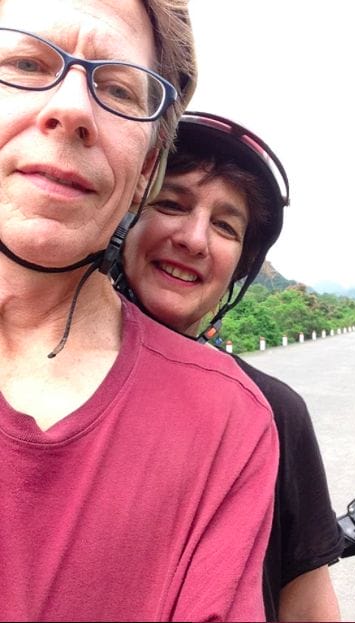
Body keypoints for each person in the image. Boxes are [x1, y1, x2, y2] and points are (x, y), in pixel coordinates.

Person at [0, 3, 279, 621]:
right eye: (25, 63)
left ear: (144, 167)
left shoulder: (234, 416)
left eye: (120, 90)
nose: (72, 108)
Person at [119, 111, 344, 622]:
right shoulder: (48, 380)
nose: (195, 239)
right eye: (171, 204)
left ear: (241, 264)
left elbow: (307, 605)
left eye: (225, 226)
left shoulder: (273, 410)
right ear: (124, 218)